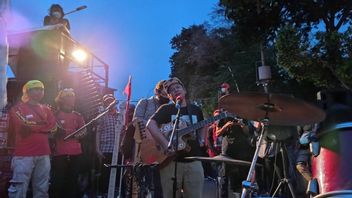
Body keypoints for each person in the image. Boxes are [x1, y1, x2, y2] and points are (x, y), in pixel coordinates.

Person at [147, 77, 206, 198]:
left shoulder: (195, 109)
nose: (175, 90)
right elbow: (150, 124)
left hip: (194, 160)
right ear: (169, 96)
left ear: (184, 91)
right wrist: (164, 144)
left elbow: (203, 125)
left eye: (178, 87)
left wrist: (202, 139)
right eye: (171, 90)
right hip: (170, 162)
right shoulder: (166, 109)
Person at [7, 80, 57, 198]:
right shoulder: (17, 108)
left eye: (41, 89)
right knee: (19, 188)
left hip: (44, 153)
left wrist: (35, 127)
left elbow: (54, 127)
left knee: (42, 188)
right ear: (28, 91)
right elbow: (23, 125)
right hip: (24, 154)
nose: (40, 91)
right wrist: (44, 127)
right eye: (36, 88)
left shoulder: (46, 109)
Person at [50, 88, 86, 198]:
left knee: (72, 182)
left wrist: (76, 135)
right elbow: (51, 131)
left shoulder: (78, 115)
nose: (72, 99)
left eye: (73, 96)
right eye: (69, 96)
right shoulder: (55, 115)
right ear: (62, 99)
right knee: (58, 182)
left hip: (76, 153)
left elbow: (84, 130)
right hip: (59, 154)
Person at [95, 94, 123, 196]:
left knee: (117, 172)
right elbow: (98, 132)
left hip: (118, 149)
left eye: (111, 101)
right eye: (107, 102)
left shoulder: (120, 115)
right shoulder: (102, 116)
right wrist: (97, 149)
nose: (110, 103)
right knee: (105, 173)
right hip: (105, 148)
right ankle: (104, 193)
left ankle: (115, 193)